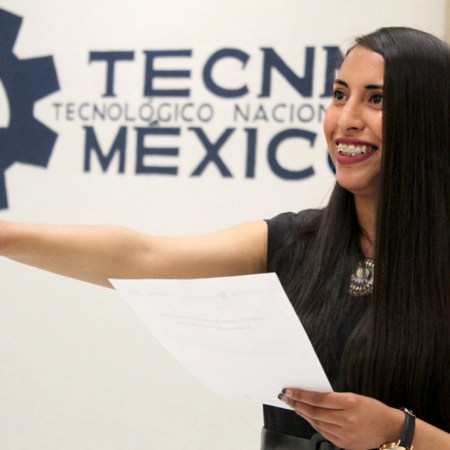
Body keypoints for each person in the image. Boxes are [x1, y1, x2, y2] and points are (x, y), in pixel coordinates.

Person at [0, 26, 449, 450]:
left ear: (428, 117)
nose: (345, 120)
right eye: (339, 95)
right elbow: (142, 257)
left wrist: (401, 432)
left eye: (377, 99)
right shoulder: (295, 242)